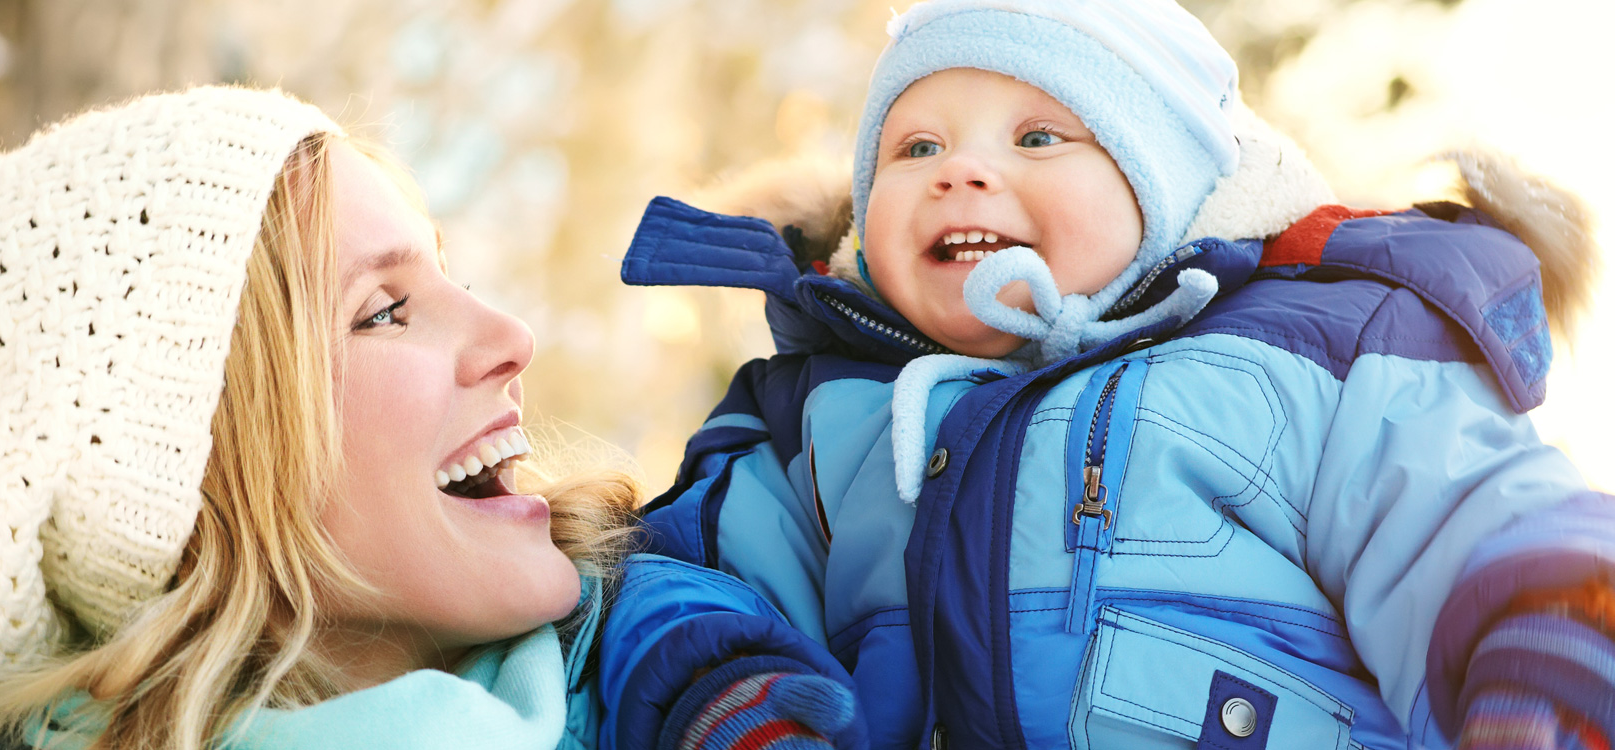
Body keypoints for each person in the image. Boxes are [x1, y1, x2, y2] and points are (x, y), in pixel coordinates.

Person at [618, 1, 1612, 747]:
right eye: (916, 146)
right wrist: (735, 704)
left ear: (1163, 189)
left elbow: (1491, 529)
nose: (959, 171)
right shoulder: (815, 422)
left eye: (1039, 137)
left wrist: (1549, 670)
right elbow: (677, 591)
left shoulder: (1310, 360)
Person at [0, 86, 865, 750]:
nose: (510, 334)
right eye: (384, 312)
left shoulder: (713, 672)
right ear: (190, 483)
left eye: (448, 272)